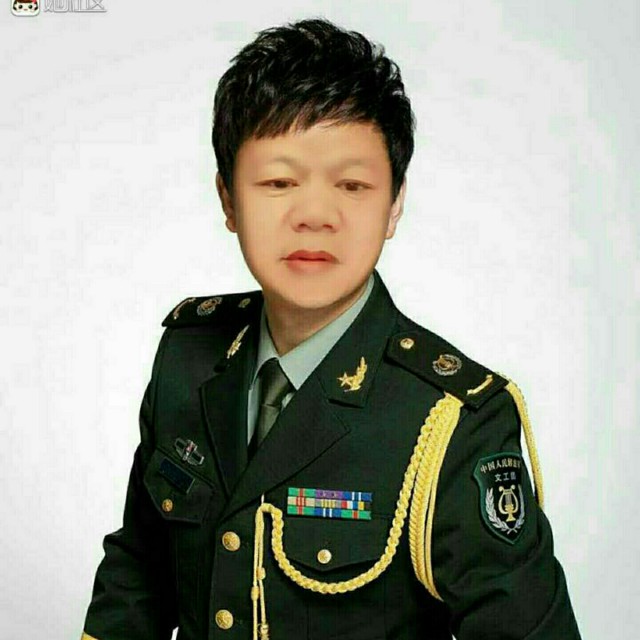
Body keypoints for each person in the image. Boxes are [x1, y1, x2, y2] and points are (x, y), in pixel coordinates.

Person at [81, 17, 581, 640]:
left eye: (352, 185)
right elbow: (138, 574)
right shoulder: (188, 356)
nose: (315, 215)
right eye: (279, 182)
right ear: (228, 199)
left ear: (394, 204)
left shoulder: (451, 422)